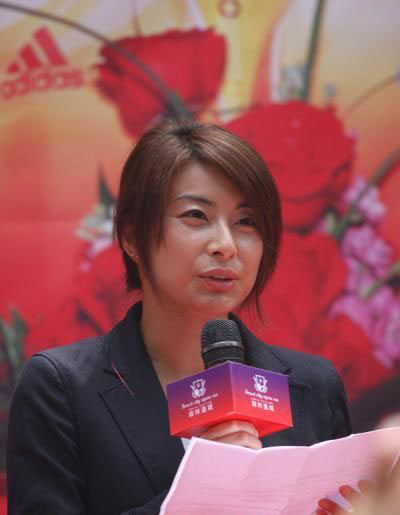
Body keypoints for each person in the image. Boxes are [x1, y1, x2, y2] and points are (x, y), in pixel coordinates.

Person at [7, 120, 352, 515]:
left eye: (246, 222)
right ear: (133, 237)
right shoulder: (62, 388)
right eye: (196, 216)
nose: (225, 245)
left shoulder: (314, 386)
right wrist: (199, 497)